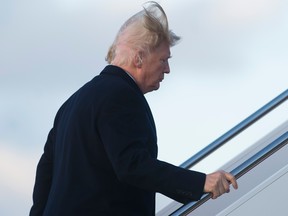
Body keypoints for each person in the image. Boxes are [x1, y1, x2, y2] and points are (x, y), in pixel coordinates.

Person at [30, 1, 238, 215]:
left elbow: (45, 173)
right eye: (163, 60)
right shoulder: (121, 95)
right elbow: (132, 165)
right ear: (139, 57)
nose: (167, 69)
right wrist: (201, 182)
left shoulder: (71, 103)